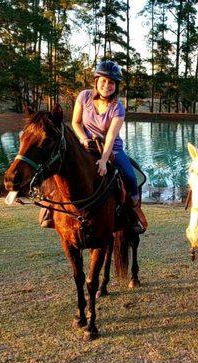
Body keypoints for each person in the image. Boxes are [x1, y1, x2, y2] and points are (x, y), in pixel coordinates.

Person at [71, 60, 147, 233]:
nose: (107, 85)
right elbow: (75, 123)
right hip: (86, 144)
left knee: (130, 176)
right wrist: (83, 139)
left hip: (112, 149)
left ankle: (133, 212)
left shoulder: (118, 108)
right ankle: (48, 211)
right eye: (103, 80)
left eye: (111, 82)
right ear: (96, 80)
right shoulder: (84, 97)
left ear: (116, 85)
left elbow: (111, 137)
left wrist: (104, 160)